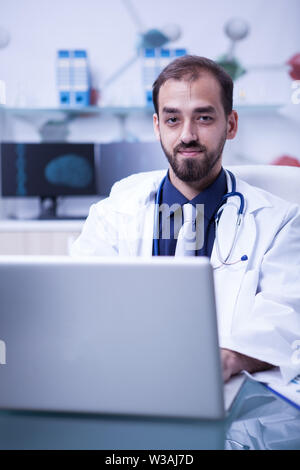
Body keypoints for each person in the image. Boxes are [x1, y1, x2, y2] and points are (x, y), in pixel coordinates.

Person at [71, 55, 300, 383]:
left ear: (231, 125)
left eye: (204, 118)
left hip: (227, 390)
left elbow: (286, 318)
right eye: (173, 120)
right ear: (157, 126)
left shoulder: (279, 221)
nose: (187, 135)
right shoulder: (114, 213)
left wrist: (228, 359)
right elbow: (81, 303)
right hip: (125, 378)